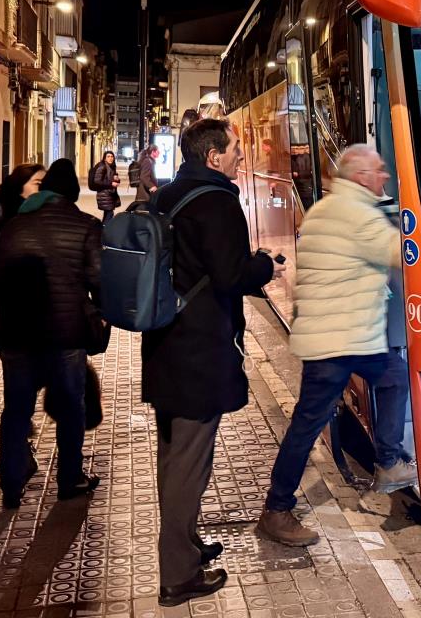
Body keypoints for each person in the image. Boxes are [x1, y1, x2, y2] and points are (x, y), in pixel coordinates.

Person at [141, 118, 276, 607]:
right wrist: (264, 265)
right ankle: (177, 573)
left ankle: (188, 545)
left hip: (165, 340)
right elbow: (230, 274)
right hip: (198, 345)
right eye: (236, 148)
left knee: (174, 452)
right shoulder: (217, 201)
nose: (242, 154)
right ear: (214, 156)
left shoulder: (168, 196)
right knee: (188, 462)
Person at [257, 144, 415, 548]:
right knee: (392, 380)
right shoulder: (358, 214)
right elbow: (403, 254)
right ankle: (279, 507)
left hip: (328, 336)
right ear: (360, 176)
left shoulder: (325, 208)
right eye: (378, 171)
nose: (383, 177)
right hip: (344, 340)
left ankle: (388, 463)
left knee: (311, 421)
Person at [0, 159, 105, 510]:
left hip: (17, 332)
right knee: (71, 408)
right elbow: (99, 280)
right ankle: (69, 480)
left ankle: (10, 485)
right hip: (65, 334)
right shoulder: (86, 225)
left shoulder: (14, 226)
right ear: (71, 194)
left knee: (17, 410)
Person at [90, 151, 121, 223]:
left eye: (112, 156)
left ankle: (102, 230)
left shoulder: (111, 167)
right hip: (104, 194)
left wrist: (117, 180)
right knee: (109, 214)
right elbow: (97, 181)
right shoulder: (102, 167)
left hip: (109, 194)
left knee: (107, 214)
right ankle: (105, 231)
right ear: (104, 158)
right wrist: (111, 184)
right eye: (108, 156)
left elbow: (112, 180)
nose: (110, 158)